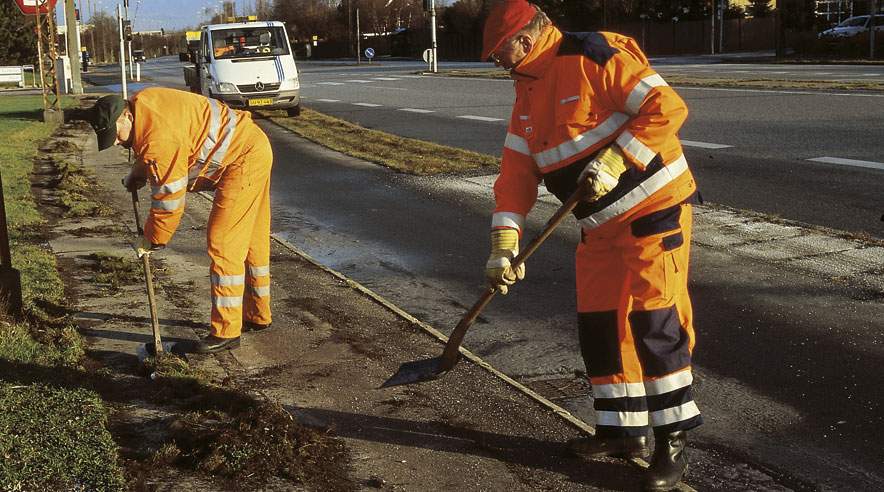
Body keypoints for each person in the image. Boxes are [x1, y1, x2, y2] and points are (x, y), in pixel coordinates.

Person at [481, 1, 701, 490]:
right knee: (600, 321)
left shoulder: (590, 55)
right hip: (600, 225)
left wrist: (618, 159)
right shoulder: (527, 95)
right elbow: (516, 178)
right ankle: (623, 430)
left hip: (653, 209)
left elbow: (667, 107)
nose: (495, 61)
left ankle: (672, 438)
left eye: (498, 52)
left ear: (523, 39)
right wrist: (502, 246)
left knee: (654, 319)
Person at [83, 87, 273, 353]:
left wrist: (151, 240)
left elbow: (169, 202)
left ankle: (227, 332)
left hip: (243, 159)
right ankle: (258, 315)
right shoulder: (146, 104)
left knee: (224, 242)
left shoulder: (158, 137)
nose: (116, 142)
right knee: (251, 238)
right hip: (251, 146)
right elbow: (165, 139)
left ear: (126, 116)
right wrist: (139, 170)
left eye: (115, 135)